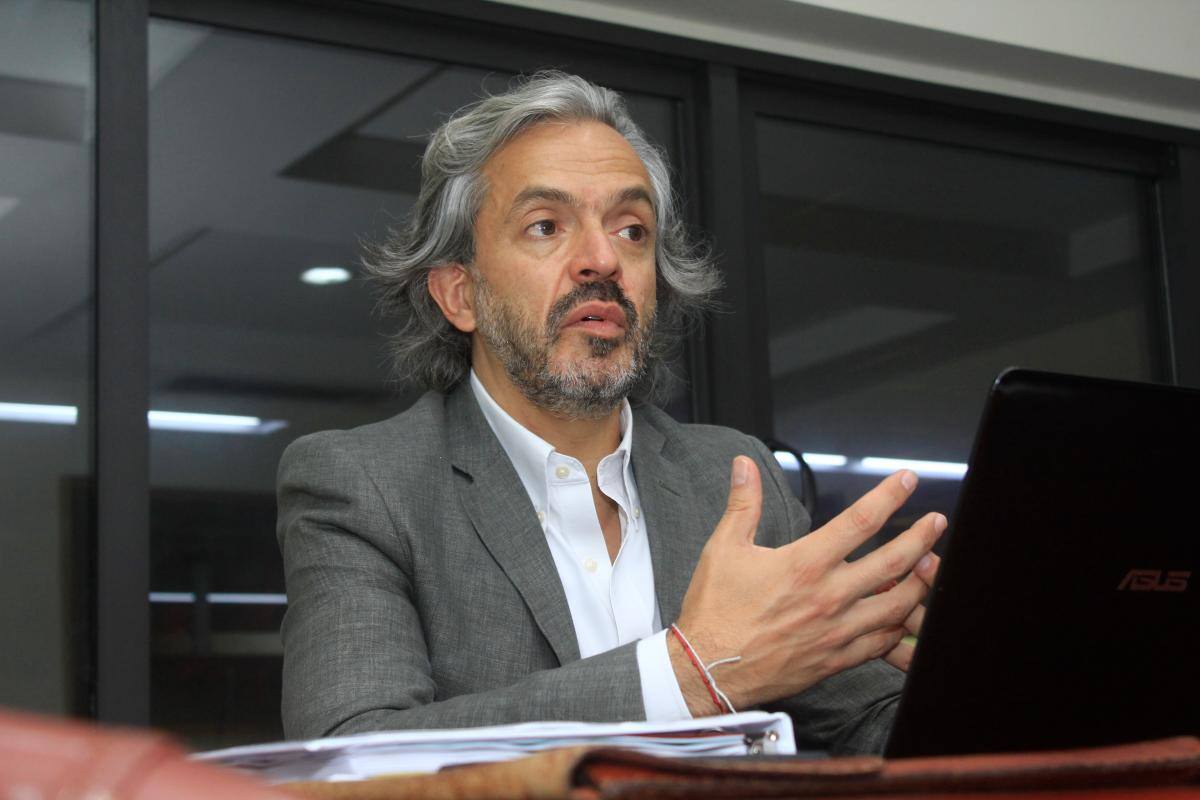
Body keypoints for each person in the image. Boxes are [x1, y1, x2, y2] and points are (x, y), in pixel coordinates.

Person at [276, 71, 944, 753]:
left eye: (631, 230)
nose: (602, 260)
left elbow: (875, 722)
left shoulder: (735, 478)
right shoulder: (364, 485)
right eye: (546, 226)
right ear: (460, 294)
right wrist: (687, 677)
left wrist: (969, 670)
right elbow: (348, 756)